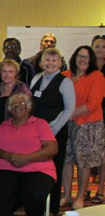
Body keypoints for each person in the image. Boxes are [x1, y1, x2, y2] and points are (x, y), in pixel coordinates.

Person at [0, 93, 58, 216]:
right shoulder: (4, 125)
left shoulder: (40, 124)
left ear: (29, 107)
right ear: (9, 108)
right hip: (5, 168)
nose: (17, 106)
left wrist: (26, 158)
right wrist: (7, 156)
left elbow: (52, 149)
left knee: (34, 193)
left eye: (22, 103)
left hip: (37, 170)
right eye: (14, 104)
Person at [28, 48, 75, 214]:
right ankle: (36, 204)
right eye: (47, 60)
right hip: (35, 132)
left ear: (60, 63)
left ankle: (53, 207)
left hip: (56, 133)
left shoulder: (65, 82)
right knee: (36, 167)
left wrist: (53, 128)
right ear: (41, 62)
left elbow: (69, 109)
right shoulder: (36, 78)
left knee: (54, 168)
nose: (50, 63)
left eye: (54, 61)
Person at [61, 46, 105, 209]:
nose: (83, 60)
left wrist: (69, 113)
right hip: (67, 124)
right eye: (80, 56)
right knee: (66, 159)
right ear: (74, 57)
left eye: (86, 57)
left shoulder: (96, 76)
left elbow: (93, 104)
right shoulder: (64, 75)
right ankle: (67, 195)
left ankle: (80, 196)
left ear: (91, 60)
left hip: (88, 125)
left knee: (83, 162)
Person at [0, 59, 32, 128]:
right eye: (4, 71)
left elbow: (28, 110)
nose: (6, 75)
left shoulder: (21, 88)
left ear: (16, 73)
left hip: (15, 127)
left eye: (10, 72)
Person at [90, 35, 105, 205]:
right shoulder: (88, 68)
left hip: (103, 113)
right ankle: (84, 187)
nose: (100, 49)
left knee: (103, 155)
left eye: (103, 46)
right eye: (97, 46)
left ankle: (100, 189)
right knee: (87, 155)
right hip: (89, 116)